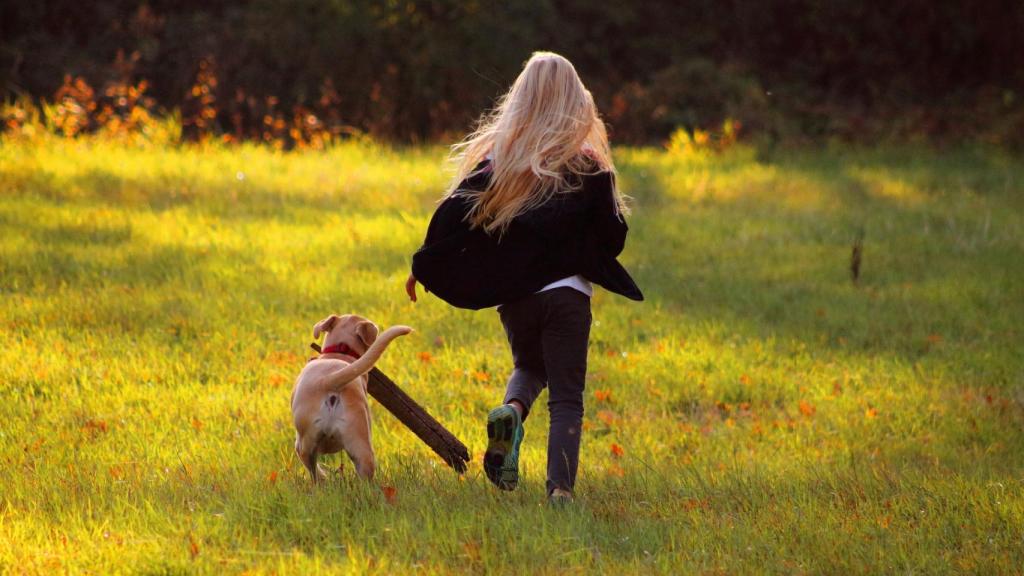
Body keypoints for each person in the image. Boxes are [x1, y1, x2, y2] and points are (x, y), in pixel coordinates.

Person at [405, 51, 642, 504]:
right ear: (577, 103)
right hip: (568, 297)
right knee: (567, 397)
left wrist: (423, 264)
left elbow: (451, 213)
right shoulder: (588, 163)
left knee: (530, 366)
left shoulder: (501, 161)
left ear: (521, 100)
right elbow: (613, 238)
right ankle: (560, 492)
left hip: (516, 301)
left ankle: (511, 412)